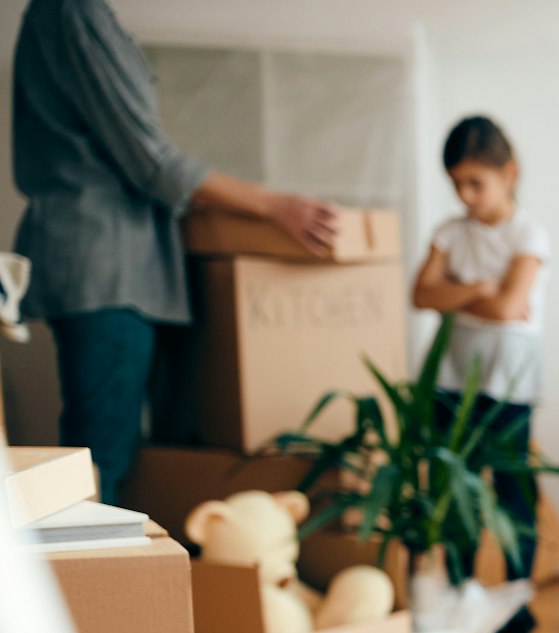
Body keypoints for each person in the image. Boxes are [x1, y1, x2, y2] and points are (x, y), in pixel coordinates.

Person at [11, 0, 338, 504]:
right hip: (106, 268)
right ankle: (89, 583)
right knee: (97, 463)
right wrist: (274, 206)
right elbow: (152, 163)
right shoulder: (72, 10)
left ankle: (96, 579)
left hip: (110, 266)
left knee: (102, 456)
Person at [411, 114, 548, 633]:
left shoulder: (528, 233)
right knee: (457, 487)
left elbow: (510, 305)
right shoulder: (450, 231)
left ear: (508, 173)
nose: (467, 197)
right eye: (457, 185)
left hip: (509, 379)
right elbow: (420, 294)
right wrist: (483, 288)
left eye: (477, 183)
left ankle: (516, 603)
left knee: (513, 492)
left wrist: (460, 290)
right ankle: (462, 595)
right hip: (452, 377)